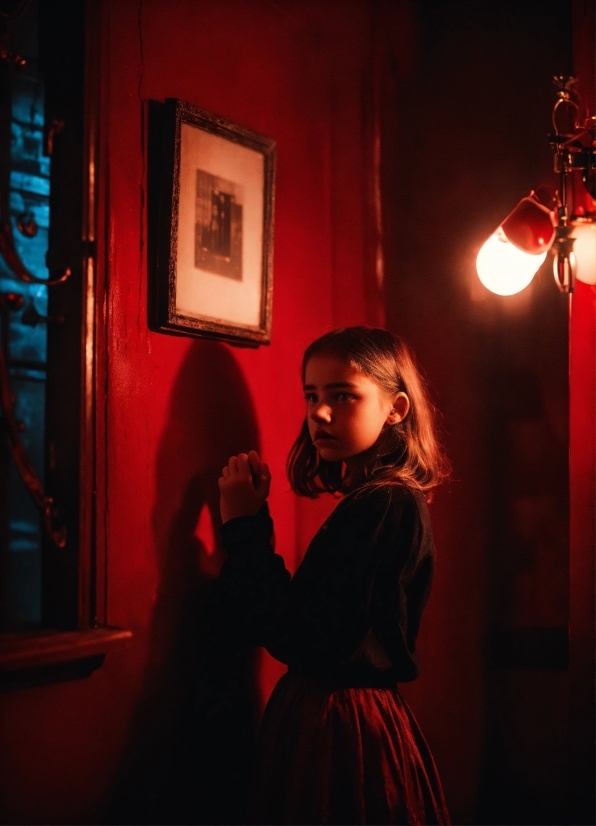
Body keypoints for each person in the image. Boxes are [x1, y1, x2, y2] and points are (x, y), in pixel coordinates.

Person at [215, 326, 451, 825]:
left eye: (344, 395)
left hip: (344, 728)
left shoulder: (390, 503)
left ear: (396, 408)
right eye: (312, 396)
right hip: (332, 717)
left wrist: (244, 530)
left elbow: (306, 637)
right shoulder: (372, 502)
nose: (320, 413)